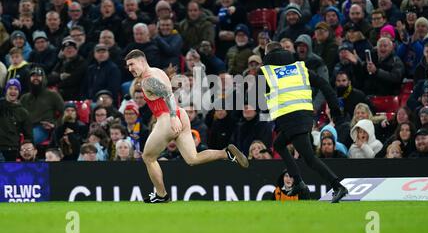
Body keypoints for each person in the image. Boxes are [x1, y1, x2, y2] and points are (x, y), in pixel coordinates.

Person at [125, 49, 249, 203]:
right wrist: (175, 115)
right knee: (193, 158)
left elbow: (167, 95)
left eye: (132, 64)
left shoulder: (147, 80)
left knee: (148, 157)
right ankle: (226, 154)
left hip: (167, 119)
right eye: (128, 66)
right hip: (181, 114)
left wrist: (172, 117)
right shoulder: (157, 71)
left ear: (142, 61)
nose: (130, 69)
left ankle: (161, 194)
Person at [260, 42, 348, 203]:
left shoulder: (266, 72)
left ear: (267, 55)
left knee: (310, 158)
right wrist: (335, 109)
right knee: (279, 144)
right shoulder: (299, 69)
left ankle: (337, 186)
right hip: (305, 115)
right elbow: (324, 85)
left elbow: (258, 99)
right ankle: (298, 182)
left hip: (290, 118)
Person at [0, 79, 32, 162]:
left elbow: (29, 136)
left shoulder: (23, 113)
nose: (13, 91)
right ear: (6, 90)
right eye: (10, 88)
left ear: (19, 92)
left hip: (12, 150)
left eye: (16, 89)